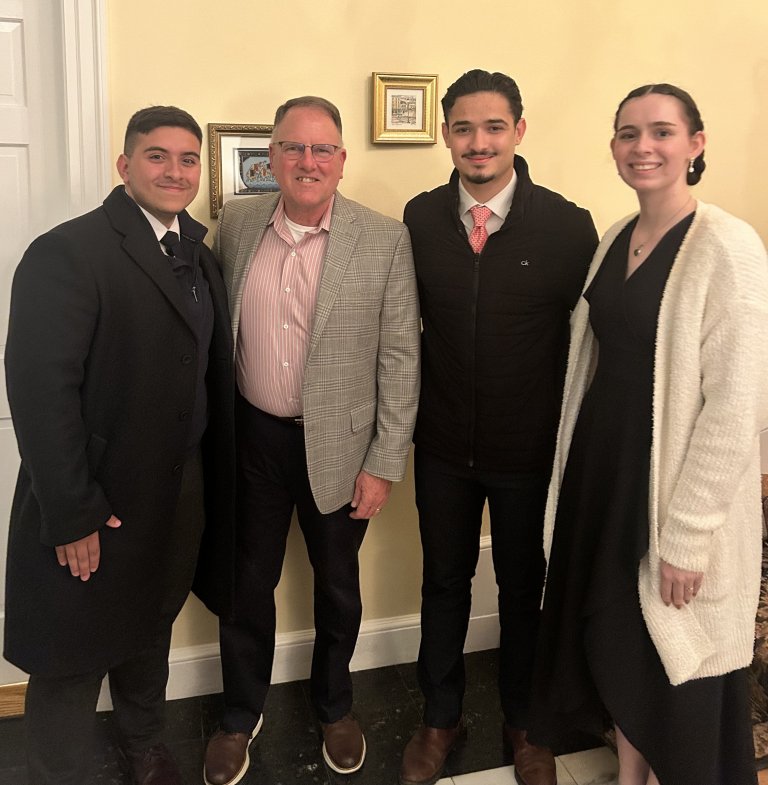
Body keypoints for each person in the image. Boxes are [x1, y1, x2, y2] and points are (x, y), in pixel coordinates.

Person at [531, 83, 768, 785]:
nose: (643, 148)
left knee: (670, 652)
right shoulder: (615, 237)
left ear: (695, 145)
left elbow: (734, 405)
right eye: (628, 133)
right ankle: (630, 774)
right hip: (603, 477)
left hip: (668, 490)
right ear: (613, 148)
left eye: (662, 132)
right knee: (615, 642)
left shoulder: (728, 244)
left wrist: (688, 533)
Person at [4, 106, 235, 785]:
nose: (174, 170)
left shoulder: (199, 252)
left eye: (187, 158)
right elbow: (41, 393)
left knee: (151, 624)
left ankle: (144, 742)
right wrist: (71, 511)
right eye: (157, 156)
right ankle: (59, 771)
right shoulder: (68, 251)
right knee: (72, 650)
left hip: (179, 486)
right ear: (125, 165)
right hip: (94, 494)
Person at [202, 96, 420, 785]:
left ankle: (336, 706)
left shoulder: (382, 239)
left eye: (322, 149)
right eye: (293, 148)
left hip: (343, 447)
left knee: (338, 587)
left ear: (342, 160)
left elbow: (399, 360)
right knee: (246, 584)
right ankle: (240, 714)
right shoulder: (234, 225)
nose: (307, 161)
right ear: (271, 158)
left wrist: (385, 461)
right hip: (253, 440)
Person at [399, 70, 598, 785]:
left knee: (524, 590)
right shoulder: (419, 218)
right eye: (462, 127)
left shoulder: (568, 225)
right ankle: (440, 717)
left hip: (530, 451)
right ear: (446, 134)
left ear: (518, 130)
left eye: (492, 127)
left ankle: (526, 721)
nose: (476, 142)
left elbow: (592, 344)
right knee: (443, 583)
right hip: (444, 448)